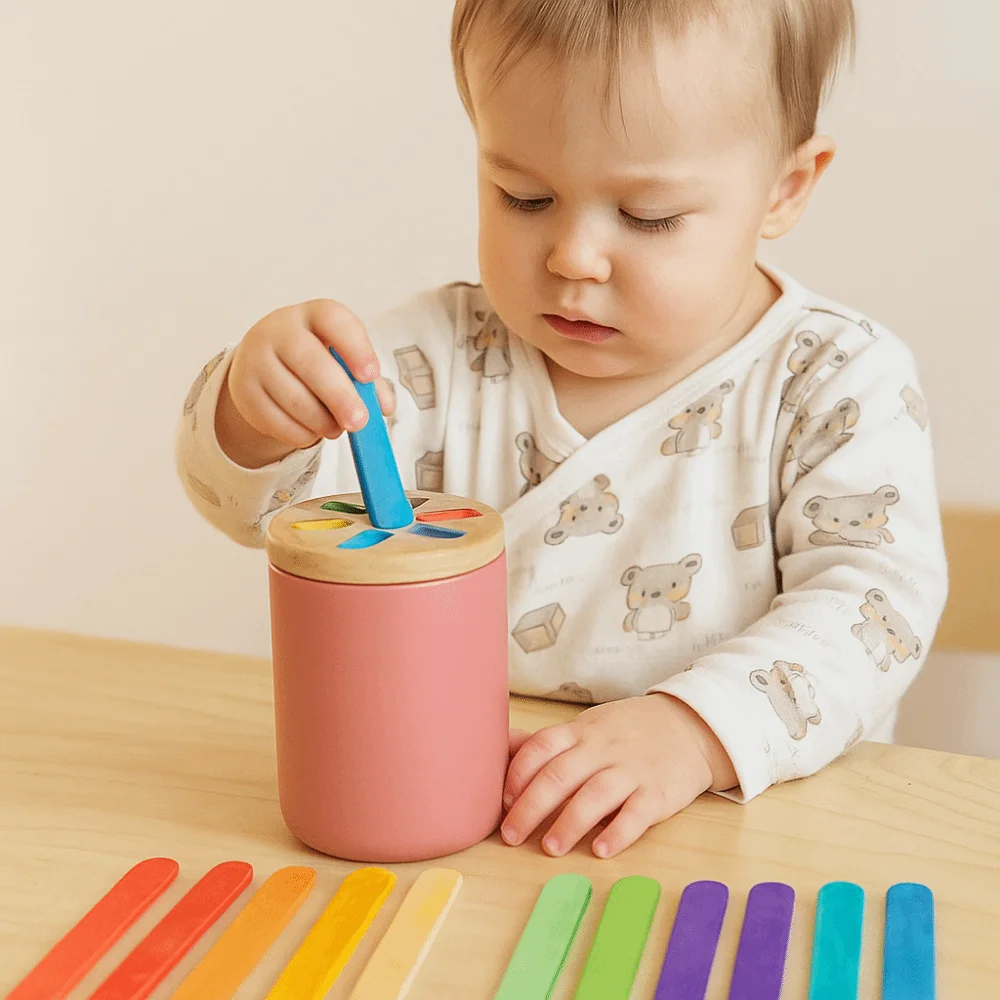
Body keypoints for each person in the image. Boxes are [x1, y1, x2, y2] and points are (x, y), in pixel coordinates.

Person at [176, 0, 947, 860]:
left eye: (649, 215)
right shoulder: (435, 359)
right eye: (524, 196)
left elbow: (877, 607)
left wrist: (692, 733)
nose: (572, 256)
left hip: (749, 839)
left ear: (786, 188)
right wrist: (256, 416)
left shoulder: (832, 382)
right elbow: (271, 516)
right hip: (481, 832)